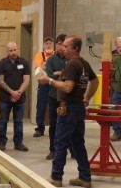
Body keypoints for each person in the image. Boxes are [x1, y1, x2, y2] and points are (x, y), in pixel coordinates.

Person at [38, 35, 99, 188]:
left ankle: (56, 177)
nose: (62, 48)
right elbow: (94, 81)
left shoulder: (71, 64)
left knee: (60, 143)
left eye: (66, 46)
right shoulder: (83, 63)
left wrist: (49, 80)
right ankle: (85, 177)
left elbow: (67, 87)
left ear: (74, 49)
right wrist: (86, 97)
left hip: (69, 109)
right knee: (78, 144)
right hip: (78, 107)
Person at [45, 34, 74, 160]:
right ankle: (53, 150)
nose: (61, 47)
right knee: (53, 124)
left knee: (70, 124)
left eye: (64, 45)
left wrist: (59, 73)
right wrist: (61, 75)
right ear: (56, 45)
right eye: (59, 44)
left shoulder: (71, 61)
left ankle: (72, 150)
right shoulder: (51, 60)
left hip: (68, 97)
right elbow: (49, 76)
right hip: (53, 96)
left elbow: (72, 77)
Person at [0, 42, 30, 152]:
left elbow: (27, 80)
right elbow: (0, 81)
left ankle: (18, 143)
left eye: (15, 50)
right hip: (5, 99)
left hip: (20, 98)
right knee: (3, 121)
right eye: (11, 50)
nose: (13, 52)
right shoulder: (2, 63)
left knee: (18, 121)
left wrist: (18, 93)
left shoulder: (24, 63)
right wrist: (12, 93)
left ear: (17, 50)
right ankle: (2, 142)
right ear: (7, 51)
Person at [33, 37, 55, 137]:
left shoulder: (56, 55)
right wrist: (50, 67)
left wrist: (46, 65)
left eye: (50, 43)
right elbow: (38, 67)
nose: (48, 45)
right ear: (43, 45)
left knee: (54, 106)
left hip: (54, 84)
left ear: (53, 45)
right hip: (43, 84)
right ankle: (40, 129)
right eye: (46, 43)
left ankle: (54, 128)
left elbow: (58, 68)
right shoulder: (39, 55)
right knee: (41, 106)